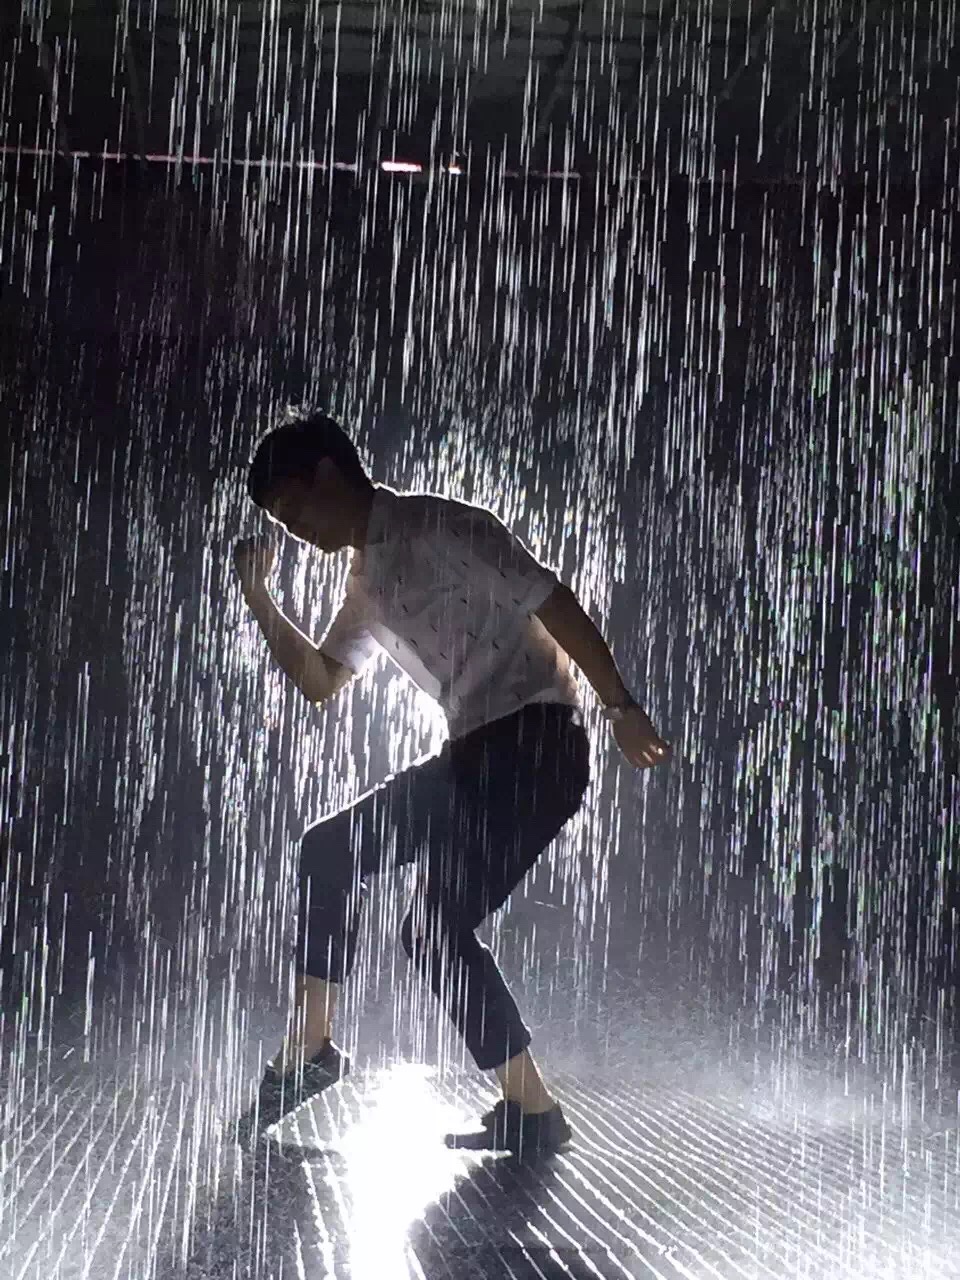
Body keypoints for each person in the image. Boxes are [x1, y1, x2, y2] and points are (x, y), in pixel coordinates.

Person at [233, 410, 671, 1155]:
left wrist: (620, 705)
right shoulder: (367, 584)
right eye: (281, 520)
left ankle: (315, 1051)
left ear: (329, 476)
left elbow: (553, 598)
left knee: (390, 895)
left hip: (535, 748)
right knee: (388, 897)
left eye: (295, 508)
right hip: (479, 757)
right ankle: (531, 1113)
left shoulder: (442, 525)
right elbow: (319, 681)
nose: (296, 530)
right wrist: (259, 599)